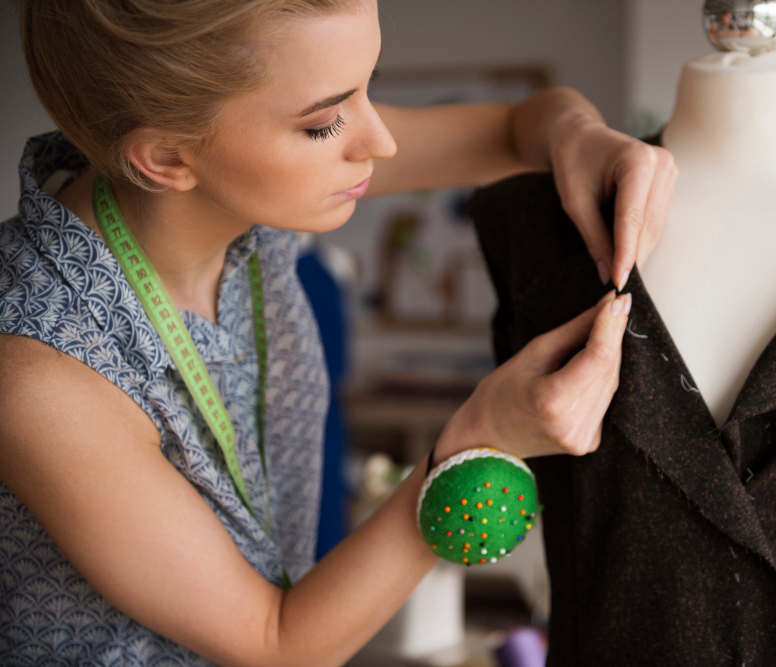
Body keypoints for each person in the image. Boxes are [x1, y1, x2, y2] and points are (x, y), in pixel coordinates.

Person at [0, 1, 677, 665]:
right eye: (326, 122)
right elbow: (274, 641)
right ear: (167, 159)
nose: (380, 143)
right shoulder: (38, 368)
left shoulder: (238, 194)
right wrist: (481, 438)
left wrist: (579, 133)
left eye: (368, 89)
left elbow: (514, 130)